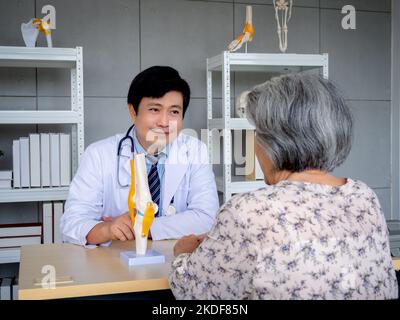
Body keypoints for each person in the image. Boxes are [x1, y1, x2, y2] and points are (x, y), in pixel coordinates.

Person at [169, 73, 398, 300]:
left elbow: (192, 292)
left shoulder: (247, 212)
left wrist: (182, 254)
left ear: (274, 141)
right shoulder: (365, 197)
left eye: (257, 133)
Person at [61, 66, 219, 246]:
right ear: (133, 111)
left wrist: (143, 227)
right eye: (154, 109)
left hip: (175, 260)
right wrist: (107, 229)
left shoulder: (195, 151)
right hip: (115, 263)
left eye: (174, 111)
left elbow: (207, 218)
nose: (164, 122)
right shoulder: (98, 155)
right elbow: (71, 223)